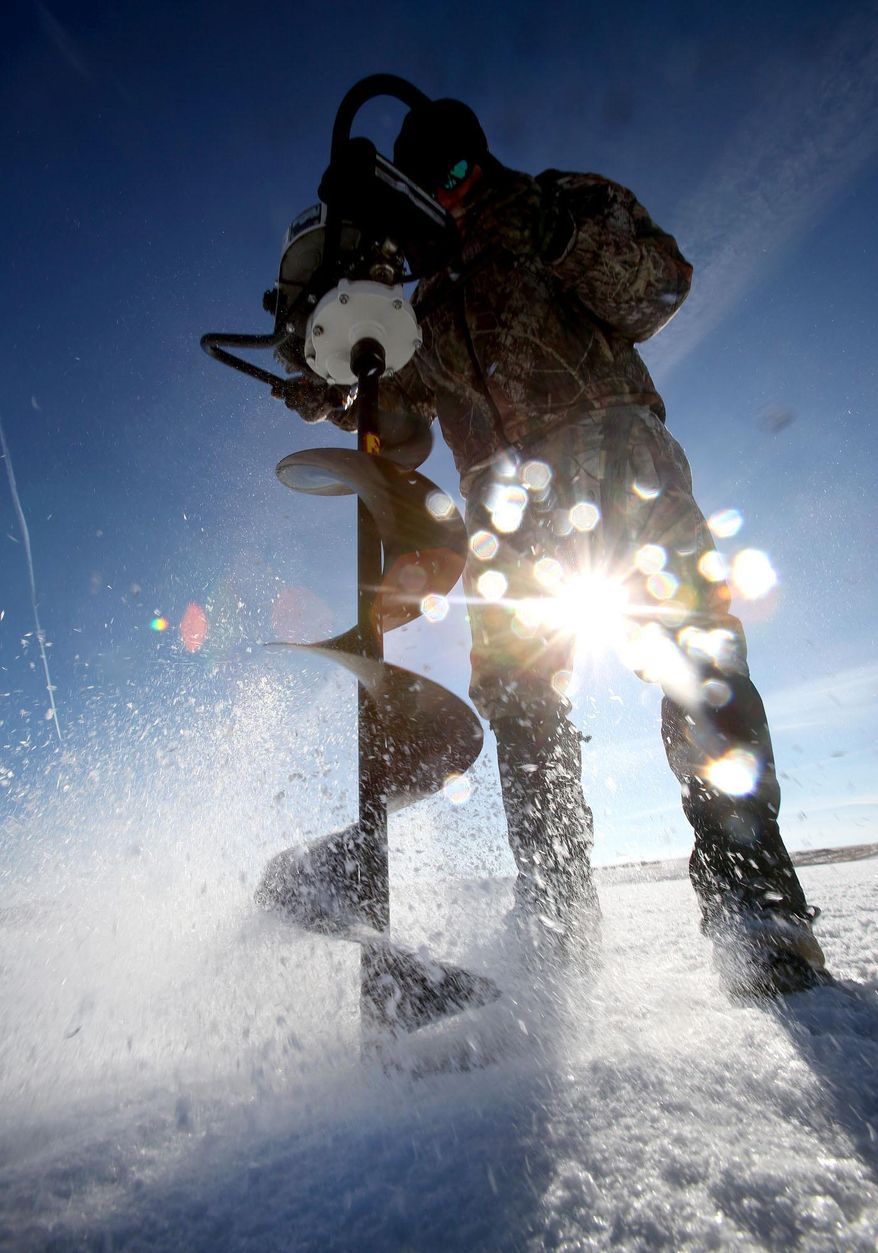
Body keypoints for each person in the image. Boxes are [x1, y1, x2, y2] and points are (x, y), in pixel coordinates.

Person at [278, 98, 829, 997]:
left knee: (694, 655)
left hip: (620, 463)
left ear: (480, 159)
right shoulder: (431, 300)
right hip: (505, 514)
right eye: (430, 183)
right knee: (521, 704)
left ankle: (756, 904)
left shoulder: (554, 203)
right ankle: (556, 912)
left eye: (457, 171)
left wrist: (548, 227)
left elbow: (658, 285)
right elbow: (398, 405)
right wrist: (326, 373)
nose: (451, 194)